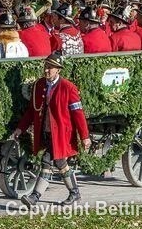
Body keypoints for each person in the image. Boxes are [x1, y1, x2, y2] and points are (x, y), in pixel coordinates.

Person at [11, 52, 91, 207]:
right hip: (46, 132)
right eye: (46, 67)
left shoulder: (68, 87)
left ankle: (35, 197)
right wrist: (20, 128)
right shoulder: (39, 85)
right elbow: (31, 111)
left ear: (58, 70)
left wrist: (85, 136)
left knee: (48, 161)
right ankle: (74, 193)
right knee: (59, 163)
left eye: (50, 68)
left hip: (61, 133)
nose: (47, 70)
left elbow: (78, 113)